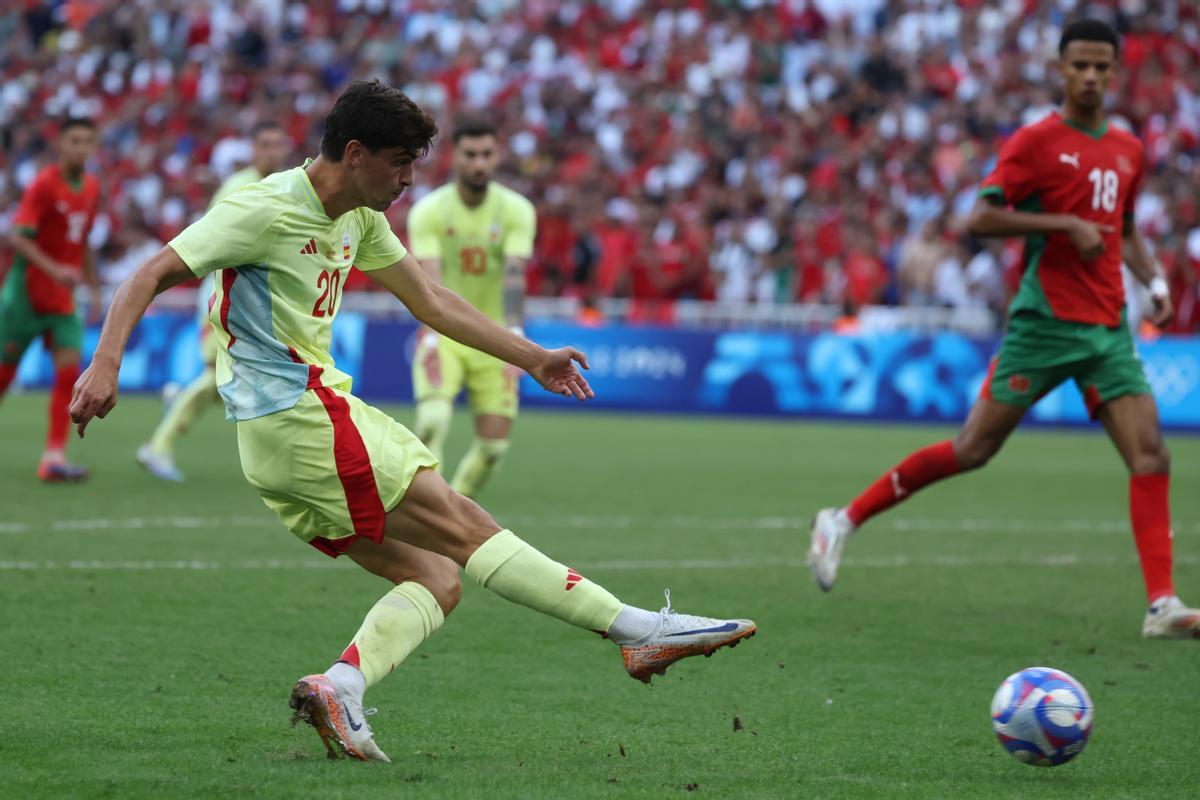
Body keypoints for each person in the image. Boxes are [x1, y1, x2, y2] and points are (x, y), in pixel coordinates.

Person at [70, 80, 756, 762]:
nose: (407, 180)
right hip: (303, 421)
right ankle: (637, 631)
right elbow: (150, 273)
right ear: (356, 152)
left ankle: (340, 685)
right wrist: (105, 365)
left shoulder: (361, 217)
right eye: (399, 163)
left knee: (436, 577)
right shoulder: (265, 208)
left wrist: (531, 358)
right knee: (465, 524)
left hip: (286, 439)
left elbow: (431, 300)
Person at [808, 19, 1200, 640]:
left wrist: (1153, 284)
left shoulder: (1129, 149)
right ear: (1061, 69)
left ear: (1115, 72)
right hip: (1042, 325)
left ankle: (1162, 606)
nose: (1092, 76)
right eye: (1081, 66)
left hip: (1105, 331)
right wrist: (1059, 225)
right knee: (973, 449)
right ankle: (844, 519)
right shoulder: (1037, 142)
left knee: (1151, 453)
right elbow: (981, 216)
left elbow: (1123, 229)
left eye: (1103, 67)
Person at [137, 120, 290, 481]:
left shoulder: (283, 188)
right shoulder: (238, 186)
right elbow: (217, 244)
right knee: (218, 375)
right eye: (265, 144)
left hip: (253, 302)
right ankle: (158, 446)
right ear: (252, 150)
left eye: (278, 145)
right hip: (223, 296)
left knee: (226, 381)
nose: (272, 152)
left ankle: (172, 413)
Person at [407, 116, 535, 498]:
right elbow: (431, 285)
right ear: (455, 157)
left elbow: (514, 275)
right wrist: (430, 340)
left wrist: (516, 337)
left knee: (493, 449)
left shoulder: (516, 210)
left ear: (497, 157)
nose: (479, 163)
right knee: (432, 420)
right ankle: (425, 510)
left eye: (487, 154)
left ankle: (453, 508)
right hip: (445, 332)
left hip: (494, 336)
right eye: (471, 154)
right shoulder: (429, 211)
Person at [0, 117, 101, 482]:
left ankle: (53, 458)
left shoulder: (91, 187)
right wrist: (55, 269)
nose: (81, 148)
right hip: (25, 296)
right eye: (74, 141)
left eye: (87, 141)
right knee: (3, 377)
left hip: (63, 300)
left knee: (67, 373)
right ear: (60, 146)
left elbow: (83, 239)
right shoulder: (43, 185)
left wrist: (92, 286)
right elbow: (17, 238)